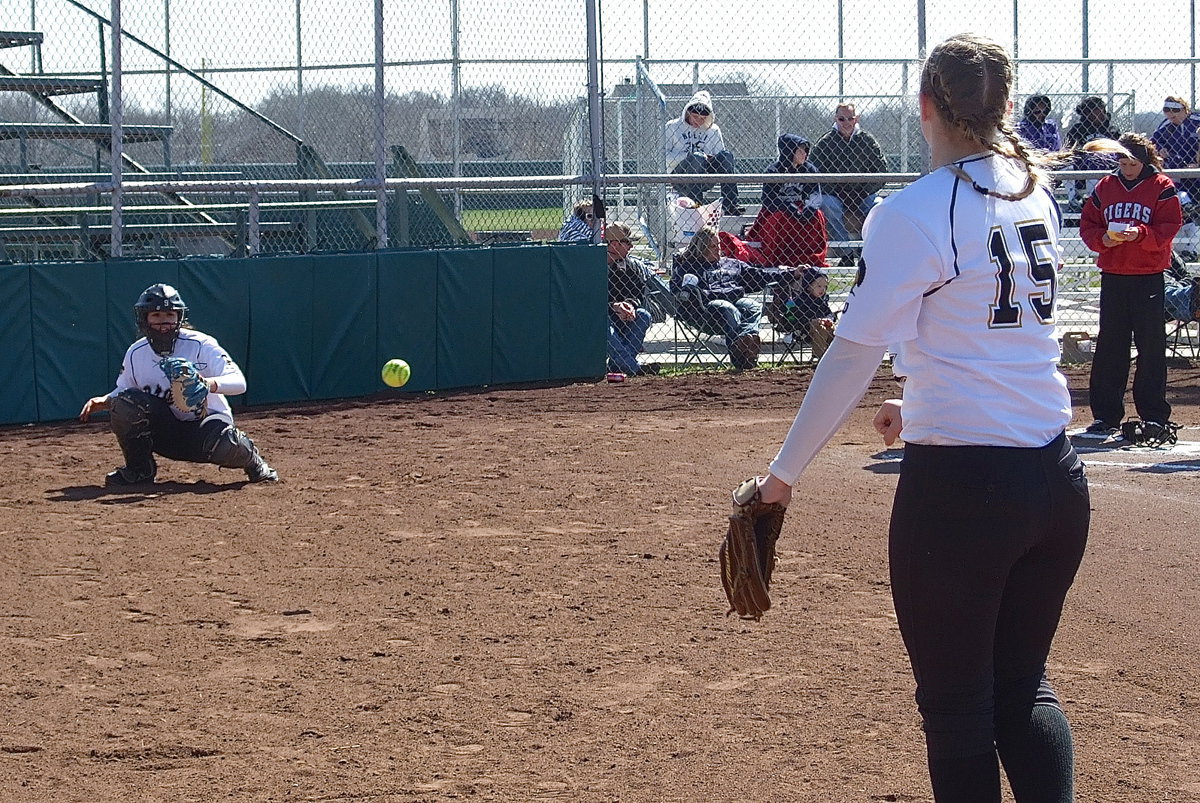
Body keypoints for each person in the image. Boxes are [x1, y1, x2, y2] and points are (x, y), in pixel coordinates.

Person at [751, 33, 1090, 802]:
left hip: (965, 492)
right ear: (1002, 107)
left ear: (925, 105)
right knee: (1021, 689)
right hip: (1056, 479)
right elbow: (993, 332)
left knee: (959, 708)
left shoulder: (913, 209)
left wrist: (783, 475)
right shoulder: (1031, 188)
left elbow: (851, 354)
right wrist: (922, 394)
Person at [79, 283, 279, 486]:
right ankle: (139, 470)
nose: (163, 322)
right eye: (155, 316)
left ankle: (254, 462)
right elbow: (124, 389)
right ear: (144, 318)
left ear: (179, 317)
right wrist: (105, 400)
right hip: (162, 433)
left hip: (204, 429)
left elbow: (239, 383)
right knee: (123, 404)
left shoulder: (201, 344)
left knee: (228, 444)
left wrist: (206, 384)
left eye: (169, 315)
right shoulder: (136, 352)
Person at [1078, 133, 1183, 439]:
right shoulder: (1106, 187)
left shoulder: (1162, 187)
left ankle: (1153, 415)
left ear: (1145, 161)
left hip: (1148, 274)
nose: (1127, 168)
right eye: (1122, 162)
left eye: (1133, 162)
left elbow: (1168, 227)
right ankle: (1106, 415)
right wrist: (1103, 240)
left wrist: (1140, 235)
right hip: (1114, 274)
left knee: (1151, 346)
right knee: (1111, 345)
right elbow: (1089, 225)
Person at [671, 226, 804, 369]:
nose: (718, 249)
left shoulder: (731, 264)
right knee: (726, 306)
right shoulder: (688, 267)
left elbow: (761, 275)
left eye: (719, 245)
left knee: (752, 305)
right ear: (701, 247)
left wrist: (792, 273)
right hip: (707, 314)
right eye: (712, 246)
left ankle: (747, 343)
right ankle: (740, 356)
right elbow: (677, 288)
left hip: (735, 305)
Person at [809, 102, 887, 244]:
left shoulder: (867, 141)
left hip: (863, 194)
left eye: (850, 119)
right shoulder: (825, 143)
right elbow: (814, 172)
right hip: (835, 195)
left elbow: (882, 170)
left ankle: (869, 248)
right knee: (827, 204)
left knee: (878, 205)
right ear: (835, 119)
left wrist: (864, 190)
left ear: (856, 119)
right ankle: (846, 251)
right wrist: (835, 191)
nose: (846, 123)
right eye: (841, 119)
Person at [746, 134, 829, 268]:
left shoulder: (809, 169)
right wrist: (788, 208)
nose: (804, 154)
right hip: (780, 210)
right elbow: (768, 200)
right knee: (780, 218)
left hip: (801, 207)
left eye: (805, 150)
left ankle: (812, 256)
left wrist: (810, 207)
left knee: (817, 215)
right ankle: (780, 258)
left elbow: (815, 194)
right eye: (800, 151)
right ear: (789, 151)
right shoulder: (773, 170)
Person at [665, 91, 743, 215]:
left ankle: (730, 204)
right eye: (695, 117)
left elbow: (721, 158)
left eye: (703, 118)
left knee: (726, 155)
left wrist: (709, 158)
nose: (698, 121)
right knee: (697, 157)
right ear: (688, 113)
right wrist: (690, 156)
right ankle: (696, 204)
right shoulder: (672, 126)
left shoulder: (714, 130)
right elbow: (665, 158)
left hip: (706, 175)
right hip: (680, 177)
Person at [604, 222, 659, 376]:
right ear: (614, 244)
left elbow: (638, 292)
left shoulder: (629, 265)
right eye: (628, 242)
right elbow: (587, 301)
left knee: (644, 316)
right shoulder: (593, 264)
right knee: (603, 323)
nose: (631, 247)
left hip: (624, 316)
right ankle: (634, 368)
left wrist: (629, 305)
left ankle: (619, 366)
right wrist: (614, 306)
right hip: (600, 318)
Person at [765, 266, 835, 358]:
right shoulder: (800, 300)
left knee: (833, 329)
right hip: (803, 327)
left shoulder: (822, 300)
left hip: (821, 324)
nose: (822, 289)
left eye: (825, 286)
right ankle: (820, 357)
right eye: (819, 286)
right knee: (820, 328)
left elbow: (829, 312)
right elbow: (793, 317)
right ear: (809, 286)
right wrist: (813, 321)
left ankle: (833, 356)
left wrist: (829, 319)